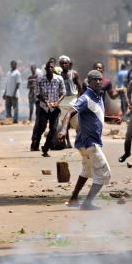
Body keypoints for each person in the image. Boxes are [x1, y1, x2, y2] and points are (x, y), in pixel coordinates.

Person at [59, 70, 111, 211]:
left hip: (88, 143)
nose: (99, 82)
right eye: (95, 80)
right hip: (89, 143)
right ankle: (87, 203)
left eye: (100, 79)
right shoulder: (85, 98)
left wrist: (112, 119)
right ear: (88, 82)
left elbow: (95, 114)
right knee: (104, 173)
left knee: (87, 171)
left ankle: (73, 198)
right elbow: (69, 113)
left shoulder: (98, 96)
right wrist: (64, 130)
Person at [31, 61, 65, 157]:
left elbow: (63, 93)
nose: (50, 69)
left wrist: (57, 102)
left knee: (53, 129)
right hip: (44, 108)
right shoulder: (40, 80)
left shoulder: (59, 79)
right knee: (41, 128)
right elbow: (37, 94)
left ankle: (45, 149)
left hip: (55, 108)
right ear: (45, 69)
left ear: (53, 69)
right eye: (48, 67)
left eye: (51, 67)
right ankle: (36, 141)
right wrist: (46, 101)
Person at [57, 55, 83, 148]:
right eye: (62, 63)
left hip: (73, 101)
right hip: (62, 103)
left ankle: (79, 140)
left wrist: (79, 99)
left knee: (77, 124)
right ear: (59, 64)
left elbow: (80, 88)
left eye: (65, 63)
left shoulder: (74, 74)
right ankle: (68, 142)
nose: (64, 65)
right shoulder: (58, 76)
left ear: (68, 64)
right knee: (65, 124)